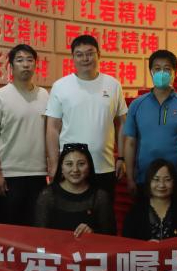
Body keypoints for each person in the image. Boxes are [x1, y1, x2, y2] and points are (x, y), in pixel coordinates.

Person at [45, 35, 128, 198]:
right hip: (71, 169)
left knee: (104, 212)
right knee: (70, 212)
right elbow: (52, 128)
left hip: (105, 166)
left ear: (99, 55)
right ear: (73, 57)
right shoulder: (60, 86)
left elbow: (122, 123)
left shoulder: (113, 85)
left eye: (90, 53)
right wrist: (54, 165)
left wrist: (122, 158)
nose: (85, 58)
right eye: (79, 54)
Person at [0, 43, 49, 226]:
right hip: (9, 176)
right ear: (11, 66)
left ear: (35, 65)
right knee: (7, 229)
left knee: (36, 228)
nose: (26, 64)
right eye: (20, 60)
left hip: (39, 174)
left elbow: (50, 134)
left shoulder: (44, 95)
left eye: (30, 60)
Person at [122, 49, 177, 196]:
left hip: (176, 178)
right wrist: (130, 177)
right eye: (157, 69)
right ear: (151, 72)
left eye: (167, 69)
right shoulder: (137, 104)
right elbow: (130, 143)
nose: (162, 73)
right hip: (144, 178)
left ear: (175, 73)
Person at [34, 142, 116, 237]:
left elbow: (110, 235)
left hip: (88, 246)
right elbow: (39, 235)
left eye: (81, 164)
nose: (75, 170)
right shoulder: (48, 195)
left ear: (89, 167)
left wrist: (93, 233)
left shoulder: (100, 197)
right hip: (54, 246)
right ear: (61, 168)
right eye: (69, 164)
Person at [122, 158, 177, 240]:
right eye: (156, 179)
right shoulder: (136, 211)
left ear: (174, 182)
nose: (161, 185)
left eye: (167, 180)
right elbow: (127, 242)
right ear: (149, 182)